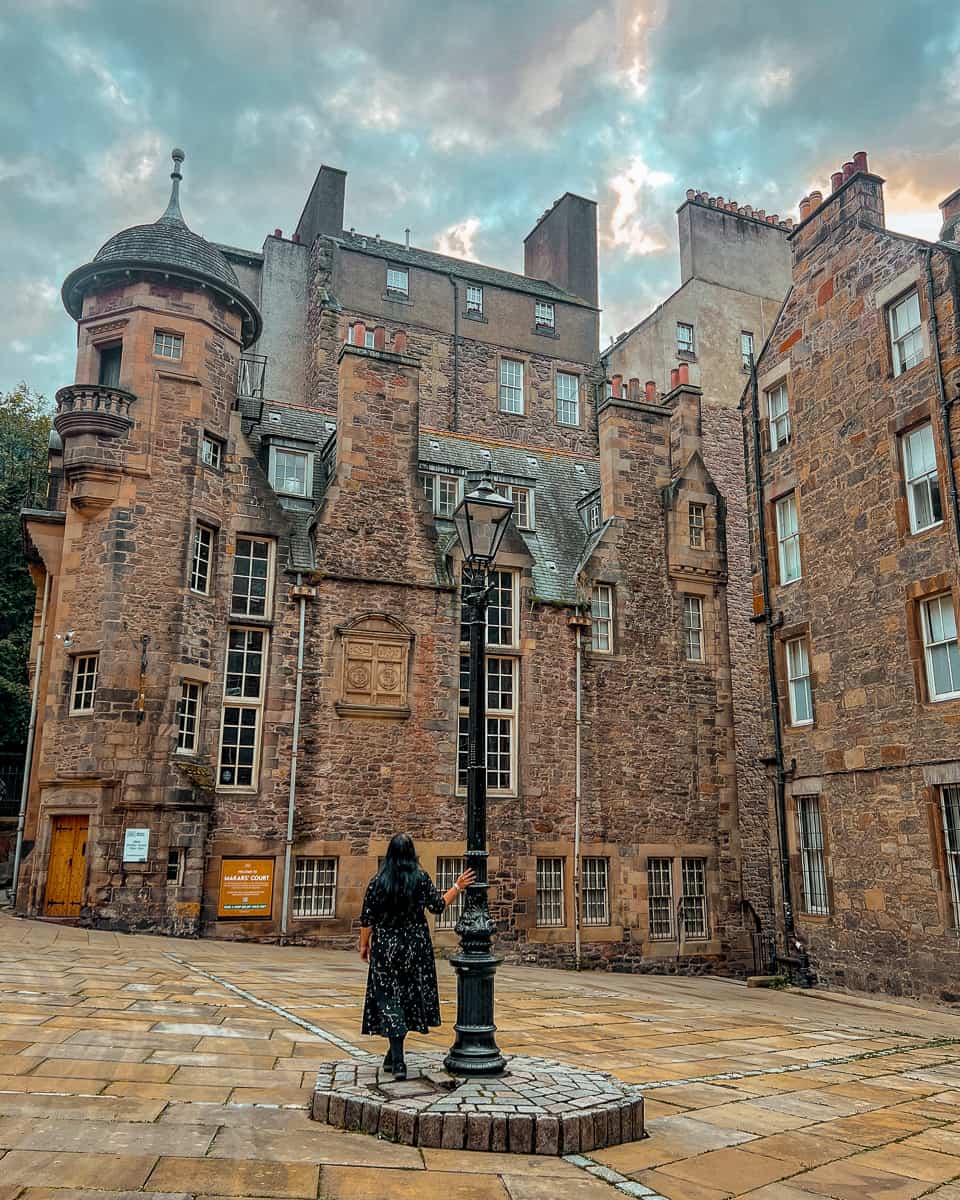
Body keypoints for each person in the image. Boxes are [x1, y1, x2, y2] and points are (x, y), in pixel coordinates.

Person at [359, 834, 475, 1081]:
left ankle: (397, 1059)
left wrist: (363, 944)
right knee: (408, 999)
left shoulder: (378, 881)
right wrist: (457, 886)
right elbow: (437, 906)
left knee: (390, 999)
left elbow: (368, 918)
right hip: (415, 948)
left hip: (387, 948)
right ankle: (395, 1055)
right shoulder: (420, 878)